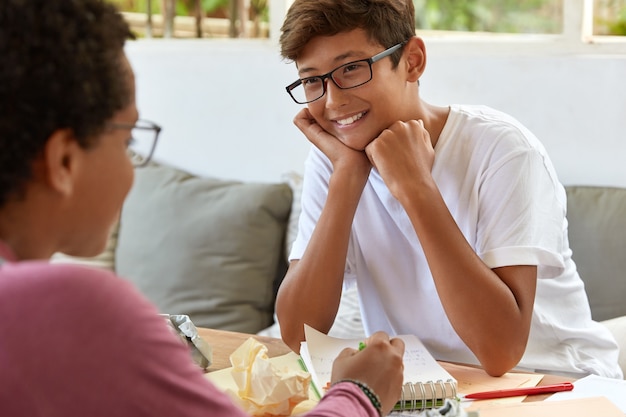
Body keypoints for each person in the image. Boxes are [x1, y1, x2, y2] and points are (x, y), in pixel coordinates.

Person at [0, 1, 406, 416]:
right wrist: (360, 393)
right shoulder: (72, 310)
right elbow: (300, 329)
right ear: (64, 162)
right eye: (128, 142)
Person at [275, 0, 623, 379]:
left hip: (555, 381)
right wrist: (345, 178)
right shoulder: (336, 161)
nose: (333, 100)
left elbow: (500, 352)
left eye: (352, 68)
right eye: (312, 80)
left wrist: (416, 188)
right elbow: (297, 336)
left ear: (412, 61)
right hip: (434, 388)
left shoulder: (501, 149)